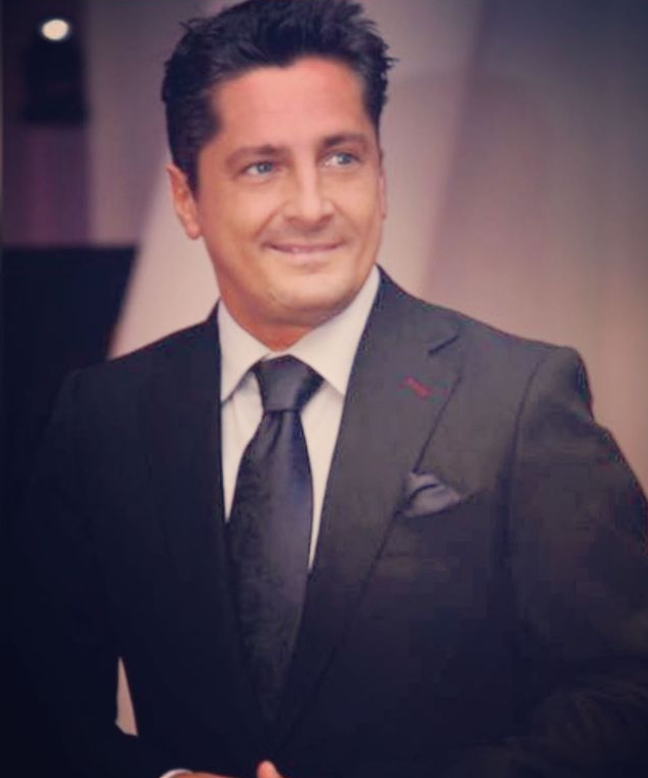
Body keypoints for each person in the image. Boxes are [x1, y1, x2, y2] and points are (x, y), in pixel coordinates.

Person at [10, 1, 648, 777]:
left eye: (342, 157)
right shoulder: (104, 414)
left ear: (381, 174)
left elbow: (627, 694)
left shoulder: (520, 397)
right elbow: (33, 708)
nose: (312, 207)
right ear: (187, 199)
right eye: (262, 167)